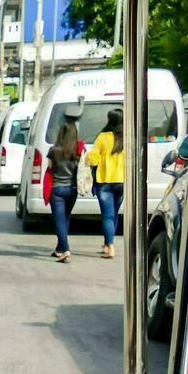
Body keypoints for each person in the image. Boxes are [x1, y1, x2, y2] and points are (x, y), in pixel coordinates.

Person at [45, 118, 84, 263]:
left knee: (59, 220)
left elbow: (49, 168)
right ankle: (59, 248)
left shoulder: (53, 151)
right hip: (72, 189)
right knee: (65, 217)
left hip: (57, 189)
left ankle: (65, 249)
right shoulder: (79, 150)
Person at [87, 108, 125, 259]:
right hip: (123, 182)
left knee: (107, 216)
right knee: (114, 214)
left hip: (105, 182)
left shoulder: (103, 137)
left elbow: (92, 159)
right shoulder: (128, 137)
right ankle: (107, 244)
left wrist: (88, 157)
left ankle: (111, 247)